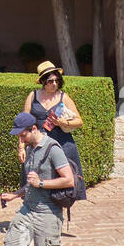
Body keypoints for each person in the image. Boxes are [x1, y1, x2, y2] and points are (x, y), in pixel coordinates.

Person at [0, 111, 74, 246]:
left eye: (22, 135)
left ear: (33, 129)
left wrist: (42, 184)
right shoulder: (30, 149)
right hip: (28, 208)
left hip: (48, 213)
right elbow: (31, 183)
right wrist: (15, 194)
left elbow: (68, 179)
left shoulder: (53, 149)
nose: (20, 140)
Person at [23, 61, 87, 218]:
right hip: (37, 145)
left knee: (61, 182)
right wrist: (20, 147)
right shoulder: (33, 96)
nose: (54, 83)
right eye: (51, 81)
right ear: (43, 81)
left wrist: (63, 122)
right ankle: (37, 213)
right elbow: (24, 123)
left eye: (57, 80)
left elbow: (79, 121)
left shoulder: (63, 97)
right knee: (35, 179)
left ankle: (56, 215)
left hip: (61, 144)